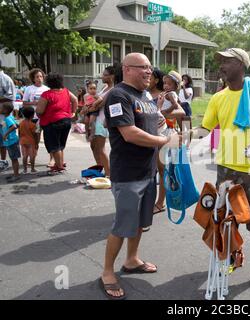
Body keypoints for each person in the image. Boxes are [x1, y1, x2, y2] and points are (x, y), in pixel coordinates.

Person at [198, 48, 250, 295]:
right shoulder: (218, 98)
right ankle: (234, 256)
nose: (221, 65)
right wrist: (180, 137)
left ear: (242, 64)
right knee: (225, 220)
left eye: (227, 61)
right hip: (226, 169)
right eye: (220, 61)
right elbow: (204, 128)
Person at [100, 53, 181, 300]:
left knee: (140, 222)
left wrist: (166, 126)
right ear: (127, 69)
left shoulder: (145, 95)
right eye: (143, 68)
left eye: (149, 68)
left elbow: (152, 121)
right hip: (127, 173)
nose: (149, 72)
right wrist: (164, 140)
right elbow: (129, 133)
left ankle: (132, 260)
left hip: (147, 172)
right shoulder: (118, 95)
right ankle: (107, 272)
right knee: (123, 224)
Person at [154, 70, 185, 215]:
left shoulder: (171, 95)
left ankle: (161, 202)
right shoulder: (164, 94)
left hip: (166, 132)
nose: (165, 85)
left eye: (168, 83)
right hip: (161, 131)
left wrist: (162, 111)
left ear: (175, 85)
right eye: (165, 83)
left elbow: (179, 110)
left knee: (163, 169)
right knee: (162, 168)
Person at [36, 72, 78, 173]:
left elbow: (40, 111)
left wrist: (39, 114)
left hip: (52, 122)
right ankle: (60, 163)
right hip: (66, 120)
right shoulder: (66, 91)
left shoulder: (47, 94)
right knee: (60, 144)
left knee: (54, 146)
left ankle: (59, 166)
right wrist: (73, 112)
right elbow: (75, 100)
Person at [86, 66, 116, 178]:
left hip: (103, 120)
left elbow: (100, 104)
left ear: (112, 76)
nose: (102, 76)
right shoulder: (105, 88)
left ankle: (109, 174)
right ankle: (101, 168)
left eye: (104, 74)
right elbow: (95, 101)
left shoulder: (113, 89)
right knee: (94, 146)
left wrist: (91, 108)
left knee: (101, 147)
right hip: (98, 120)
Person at [22, 68, 51, 166]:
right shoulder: (29, 89)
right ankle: (33, 156)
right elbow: (24, 103)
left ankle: (52, 159)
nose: (39, 78)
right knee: (35, 139)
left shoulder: (47, 89)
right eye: (37, 77)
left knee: (49, 139)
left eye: (41, 76)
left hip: (45, 117)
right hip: (33, 117)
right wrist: (34, 102)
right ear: (33, 78)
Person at [0, 59, 16, 169]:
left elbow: (10, 97)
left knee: (3, 140)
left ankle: (3, 161)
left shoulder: (5, 79)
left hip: (2, 117)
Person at [1, 102, 20, 182]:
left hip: (11, 141)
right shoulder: (8, 117)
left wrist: (5, 134)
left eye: (1, 108)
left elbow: (14, 126)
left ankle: (16, 175)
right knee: (13, 158)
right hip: (11, 141)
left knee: (14, 159)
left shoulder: (8, 118)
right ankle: (15, 174)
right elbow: (17, 124)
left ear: (5, 110)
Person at [19, 107, 39, 173]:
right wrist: (37, 143)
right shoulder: (33, 125)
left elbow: (19, 132)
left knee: (25, 156)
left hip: (23, 141)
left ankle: (25, 170)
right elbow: (35, 134)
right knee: (32, 156)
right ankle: (32, 169)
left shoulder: (21, 123)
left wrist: (20, 139)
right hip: (31, 142)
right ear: (33, 115)